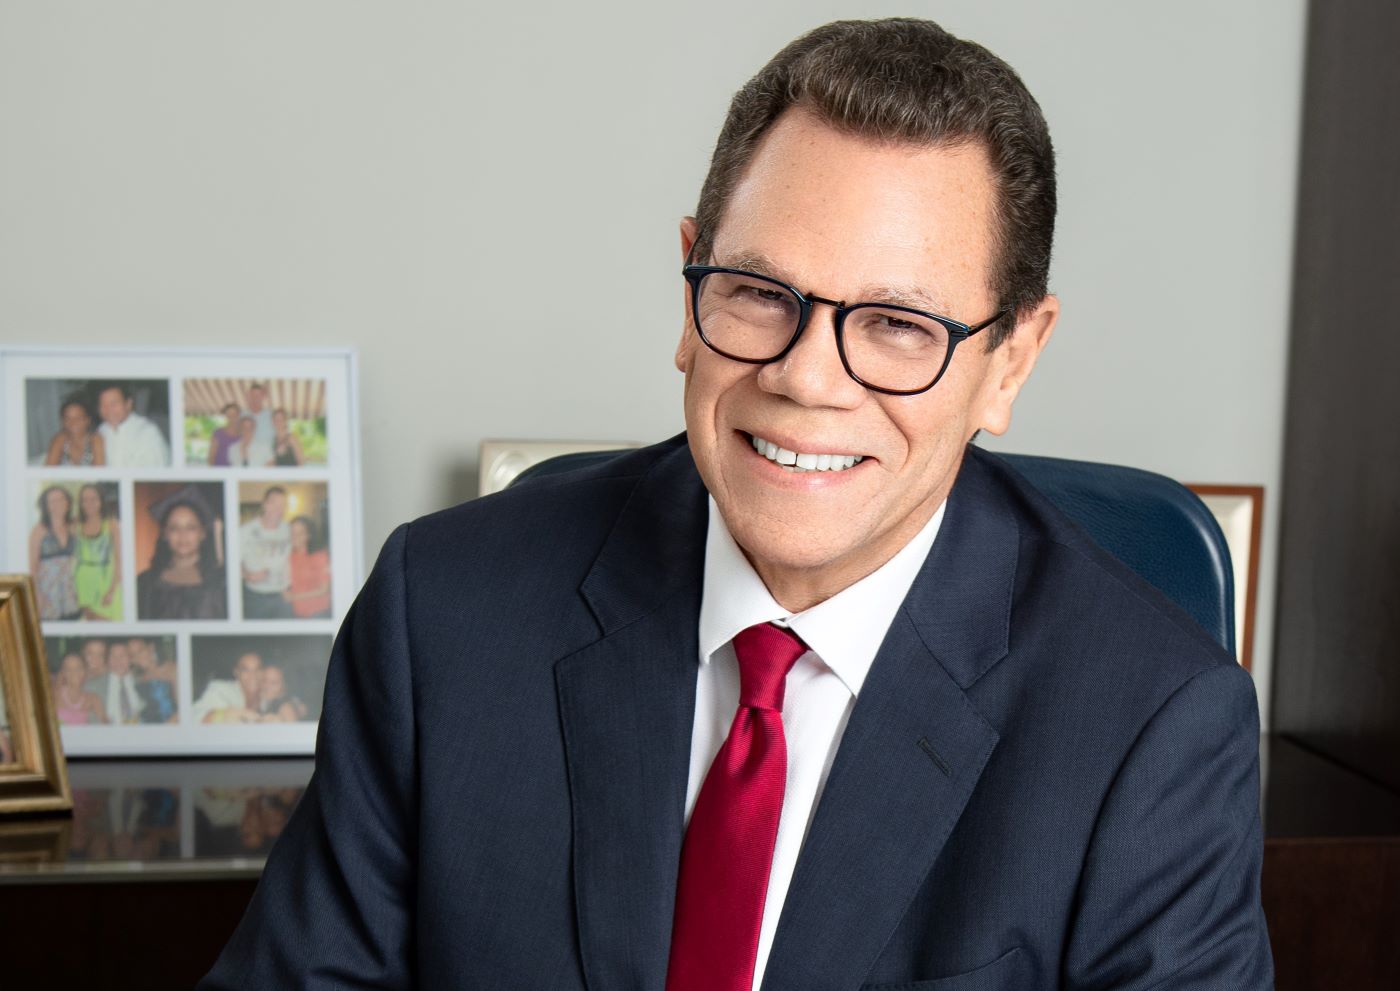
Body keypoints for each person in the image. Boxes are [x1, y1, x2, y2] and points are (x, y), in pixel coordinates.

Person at [203, 19, 1272, 990]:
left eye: (898, 324)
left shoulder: (1153, 727)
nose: (808, 378)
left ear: (1009, 362)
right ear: (688, 289)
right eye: (761, 295)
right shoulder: (440, 614)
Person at [136, 487, 227, 620]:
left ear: (202, 533)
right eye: (174, 528)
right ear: (165, 535)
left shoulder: (221, 582)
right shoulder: (145, 583)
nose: (182, 535)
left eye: (190, 528)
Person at [240, 487, 292, 619]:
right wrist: (246, 574)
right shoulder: (245, 531)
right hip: (255, 597)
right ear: (264, 504)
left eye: (282, 504)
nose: (278, 508)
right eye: (273, 503)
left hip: (283, 596)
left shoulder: (289, 529)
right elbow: (232, 563)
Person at [29, 485, 79, 621]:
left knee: (72, 629)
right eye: (52, 501)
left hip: (70, 589)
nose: (58, 504)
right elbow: (32, 566)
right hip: (47, 591)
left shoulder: (74, 527)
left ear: (68, 503)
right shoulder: (39, 530)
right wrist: (37, 595)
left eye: (61, 499)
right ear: (46, 506)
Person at [74, 484, 122, 621]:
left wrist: (112, 590)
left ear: (101, 500)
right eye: (85, 500)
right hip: (82, 580)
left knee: (105, 621)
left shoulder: (111, 524)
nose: (89, 503)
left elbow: (119, 559)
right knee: (88, 620)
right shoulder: (77, 524)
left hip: (105, 579)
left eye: (94, 499)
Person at [96, 382, 170, 468]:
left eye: (114, 404)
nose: (108, 410)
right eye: (103, 405)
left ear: (128, 404)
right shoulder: (101, 431)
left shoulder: (148, 432)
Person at [191, 652, 263, 724]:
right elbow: (193, 717)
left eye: (257, 669)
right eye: (246, 670)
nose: (253, 675)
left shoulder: (265, 697)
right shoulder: (221, 689)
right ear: (236, 672)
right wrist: (226, 714)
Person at [84, 640, 144, 725]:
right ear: (107, 660)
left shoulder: (142, 682)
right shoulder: (91, 687)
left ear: (130, 659)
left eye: (122, 655)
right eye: (113, 656)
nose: (118, 660)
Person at [284, 516, 331, 619]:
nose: (294, 536)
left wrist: (293, 596)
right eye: (292, 532)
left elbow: (324, 589)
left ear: (308, 535)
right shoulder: (291, 554)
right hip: (297, 612)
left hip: (317, 613)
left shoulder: (319, 556)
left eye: (299, 533)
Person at [128, 637, 178, 724]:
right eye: (133, 655)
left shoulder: (172, 669)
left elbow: (184, 709)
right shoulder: (137, 676)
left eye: (140, 651)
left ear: (151, 648)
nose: (138, 657)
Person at [43, 398, 106, 466]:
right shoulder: (59, 439)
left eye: (78, 418)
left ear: (87, 420)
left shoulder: (95, 439)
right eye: (67, 418)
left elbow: (98, 472)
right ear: (62, 421)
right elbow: (49, 470)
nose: (73, 422)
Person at [53, 653, 105, 726]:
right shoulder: (54, 694)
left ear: (85, 670)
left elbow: (107, 725)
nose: (74, 672)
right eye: (68, 669)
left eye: (79, 667)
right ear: (63, 672)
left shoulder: (92, 698)